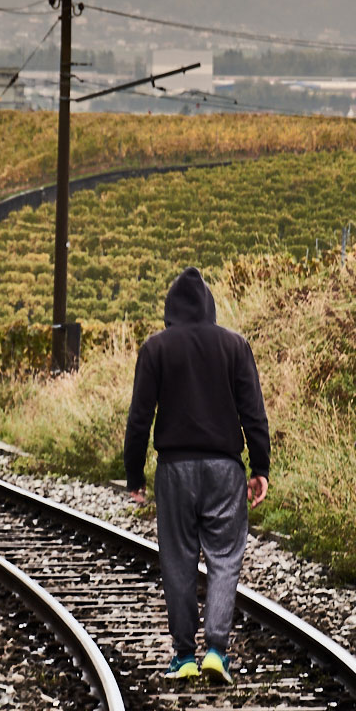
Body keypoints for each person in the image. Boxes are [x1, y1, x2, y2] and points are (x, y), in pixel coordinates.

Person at [123, 266, 270, 683]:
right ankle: (216, 651)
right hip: (225, 469)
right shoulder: (234, 345)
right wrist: (260, 467)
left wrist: (134, 474)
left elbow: (139, 418)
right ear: (209, 307)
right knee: (224, 559)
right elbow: (253, 413)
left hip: (175, 470)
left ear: (170, 310)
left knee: (178, 560)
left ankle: (184, 655)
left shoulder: (156, 348)